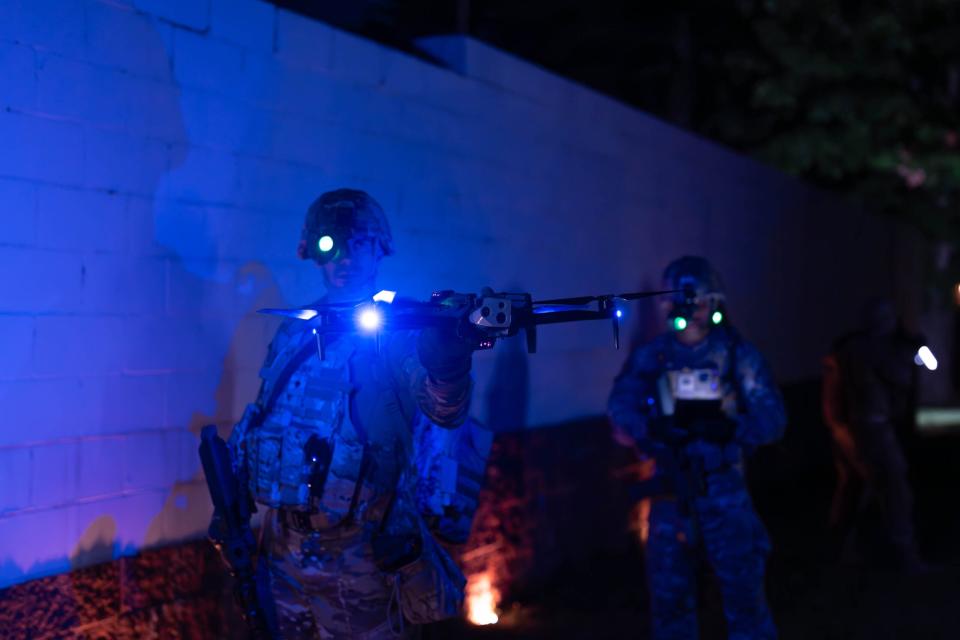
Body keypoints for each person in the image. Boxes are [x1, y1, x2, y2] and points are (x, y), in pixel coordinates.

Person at [224, 188, 475, 638]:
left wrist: (448, 360)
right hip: (285, 551)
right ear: (313, 254)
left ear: (379, 247)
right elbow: (266, 419)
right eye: (331, 244)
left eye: (358, 243)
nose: (344, 257)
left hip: (364, 555)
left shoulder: (400, 328)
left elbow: (445, 409)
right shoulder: (295, 329)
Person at [608, 256, 786, 640]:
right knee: (670, 603)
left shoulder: (737, 355)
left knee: (745, 602)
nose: (685, 309)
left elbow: (773, 420)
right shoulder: (653, 356)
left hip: (725, 493)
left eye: (695, 299)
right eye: (676, 300)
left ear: (713, 301)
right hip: (672, 491)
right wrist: (652, 430)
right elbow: (620, 408)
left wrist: (728, 428)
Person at [821, 298, 925, 571]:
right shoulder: (870, 350)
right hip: (869, 429)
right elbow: (900, 375)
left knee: (857, 488)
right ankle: (902, 553)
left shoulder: (851, 348)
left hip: (856, 429)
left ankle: (844, 550)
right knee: (893, 489)